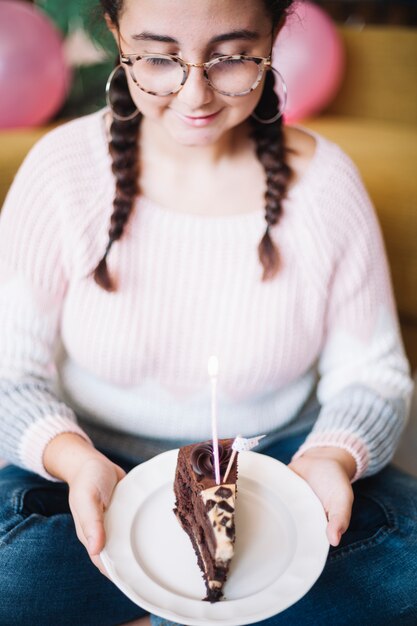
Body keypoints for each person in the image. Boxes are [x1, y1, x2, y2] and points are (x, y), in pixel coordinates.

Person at [0, 0, 416, 624]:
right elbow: (11, 372)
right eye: (160, 57)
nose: (195, 94)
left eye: (231, 57)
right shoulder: (63, 171)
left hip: (281, 462)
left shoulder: (326, 186)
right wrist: (73, 458)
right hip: (87, 463)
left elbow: (373, 375)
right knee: (16, 577)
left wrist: (331, 458)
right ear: (115, 36)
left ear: (275, 35)